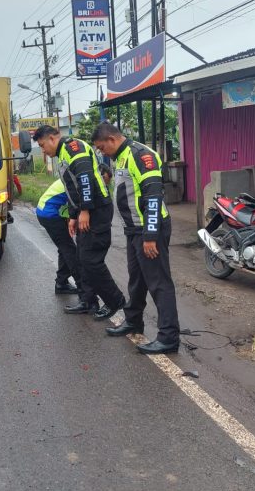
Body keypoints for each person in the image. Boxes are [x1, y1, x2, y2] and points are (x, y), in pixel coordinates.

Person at [91, 123, 180, 355]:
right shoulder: (120, 157)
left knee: (159, 283)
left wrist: (150, 236)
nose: (102, 153)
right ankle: (133, 321)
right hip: (133, 229)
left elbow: (152, 196)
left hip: (149, 230)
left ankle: (168, 337)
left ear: (111, 139)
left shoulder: (141, 155)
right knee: (137, 279)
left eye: (102, 148)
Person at [33, 125, 125, 320]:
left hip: (97, 210)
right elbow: (71, 189)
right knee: (82, 259)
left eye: (42, 145)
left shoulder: (74, 148)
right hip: (85, 211)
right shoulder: (63, 153)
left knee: (91, 260)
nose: (43, 150)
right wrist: (73, 216)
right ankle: (88, 301)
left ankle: (114, 300)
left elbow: (85, 179)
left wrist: (84, 210)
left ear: (52, 138)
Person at [36, 178, 93, 301]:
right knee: (70, 251)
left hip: (46, 211)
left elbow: (68, 203)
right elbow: (74, 203)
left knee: (64, 248)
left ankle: (61, 283)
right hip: (49, 214)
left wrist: (69, 221)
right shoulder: (77, 180)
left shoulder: (70, 176)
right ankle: (83, 289)